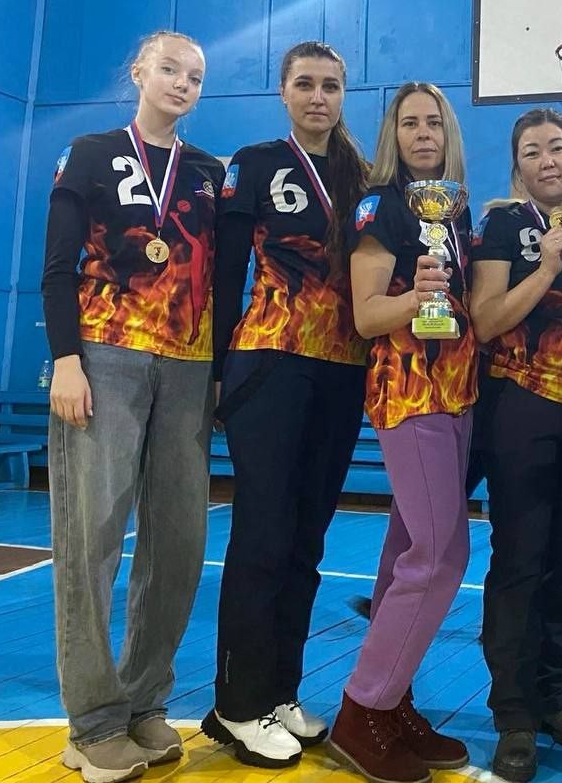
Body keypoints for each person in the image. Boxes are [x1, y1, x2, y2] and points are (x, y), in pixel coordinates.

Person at [40, 30, 223, 783]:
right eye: (170, 69)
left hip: (189, 366)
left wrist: (218, 375)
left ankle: (145, 702)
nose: (182, 83)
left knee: (179, 545)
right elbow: (57, 266)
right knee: (92, 541)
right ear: (140, 71)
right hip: (104, 358)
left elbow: (225, 279)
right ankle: (92, 724)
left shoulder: (209, 173)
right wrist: (66, 360)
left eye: (196, 77)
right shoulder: (89, 153)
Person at [201, 42, 371, 767]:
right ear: (283, 91)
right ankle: (236, 705)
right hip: (270, 360)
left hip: (343, 370)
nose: (318, 97)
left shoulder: (363, 174)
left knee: (307, 543)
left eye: (330, 86)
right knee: (264, 536)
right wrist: (216, 370)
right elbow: (227, 270)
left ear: (343, 94)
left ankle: (280, 692)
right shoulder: (257, 162)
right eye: (305, 84)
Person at [328, 82, 477, 783]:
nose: (423, 133)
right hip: (410, 390)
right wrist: (415, 299)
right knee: (441, 553)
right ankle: (362, 708)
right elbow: (366, 316)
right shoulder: (380, 206)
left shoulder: (455, 209)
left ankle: (393, 703)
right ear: (394, 134)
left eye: (434, 123)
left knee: (404, 555)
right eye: (410, 123)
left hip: (458, 393)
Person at [469, 109, 562, 781]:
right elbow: (485, 320)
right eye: (532, 151)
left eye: (557, 147)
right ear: (518, 165)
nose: (547, 160)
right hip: (520, 406)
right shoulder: (503, 226)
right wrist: (546, 268)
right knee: (519, 558)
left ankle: (555, 695)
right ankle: (513, 714)